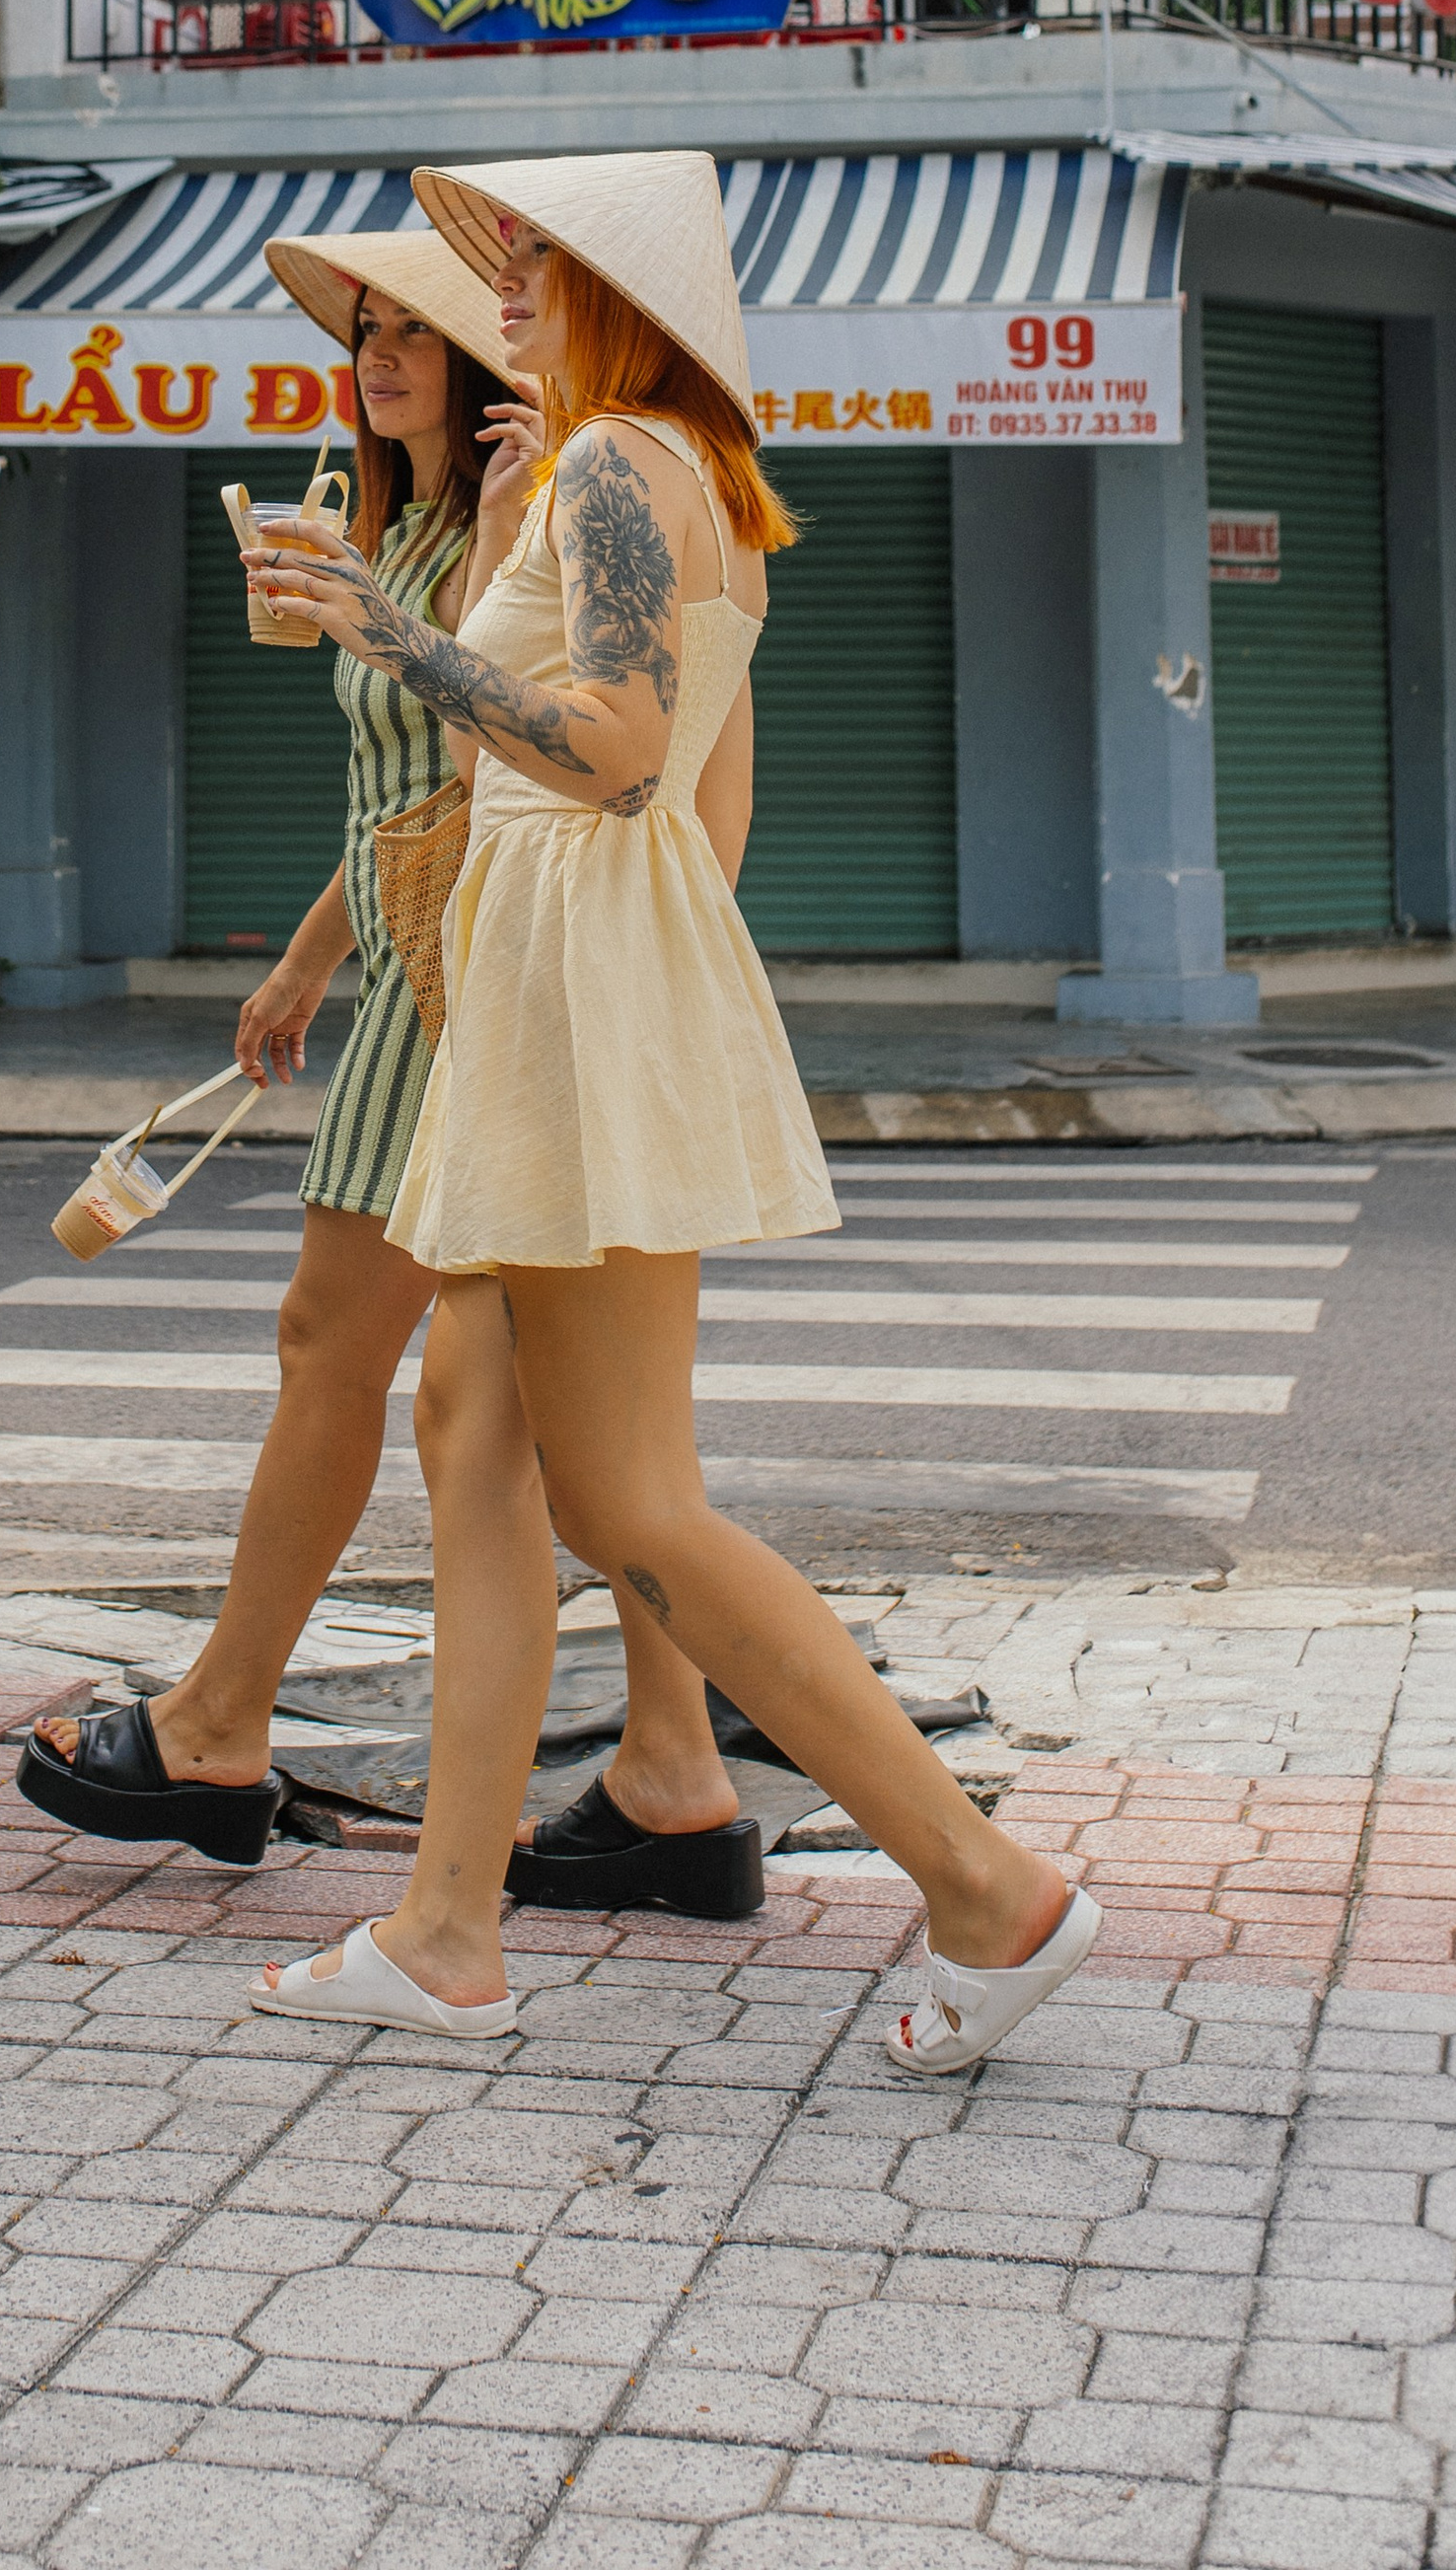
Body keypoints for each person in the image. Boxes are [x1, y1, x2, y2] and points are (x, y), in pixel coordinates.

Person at [238, 152, 1100, 2077]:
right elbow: (701, 806)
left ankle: (983, 1887)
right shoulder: (641, 470)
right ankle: (446, 1927)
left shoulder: (623, 467)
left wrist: (378, 627)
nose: (496, 285)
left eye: (527, 259)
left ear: (610, 285)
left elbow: (619, 753)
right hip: (578, 963)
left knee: (625, 1500)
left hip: (569, 969)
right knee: (472, 1436)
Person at [17, 222, 760, 1915]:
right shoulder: (410, 526)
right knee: (554, 1432)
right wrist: (307, 954)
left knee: (403, 1373)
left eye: (419, 327)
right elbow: (409, 803)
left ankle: (224, 1727)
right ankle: (670, 1779)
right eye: (367, 332)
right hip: (432, 969)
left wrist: (443, 599)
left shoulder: (539, 511)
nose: (388, 353)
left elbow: (558, 764)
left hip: (475, 985)